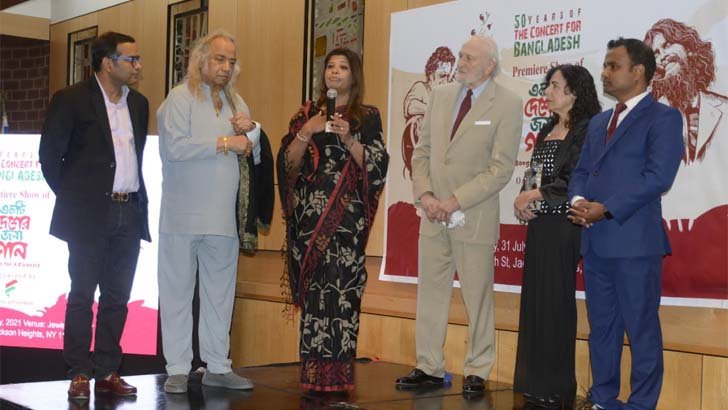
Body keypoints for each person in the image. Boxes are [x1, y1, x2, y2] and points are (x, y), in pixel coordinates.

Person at [395, 35, 522, 396]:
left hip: (473, 216)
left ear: (490, 66)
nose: (461, 63)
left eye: (469, 58)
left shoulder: (508, 103)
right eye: (461, 56)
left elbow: (500, 169)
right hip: (432, 215)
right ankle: (429, 366)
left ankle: (477, 368)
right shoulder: (440, 95)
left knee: (477, 298)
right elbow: (422, 153)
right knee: (430, 294)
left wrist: (454, 201)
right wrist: (426, 195)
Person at [568, 38, 683, 410]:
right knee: (601, 328)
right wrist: (578, 201)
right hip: (595, 242)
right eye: (604, 65)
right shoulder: (599, 121)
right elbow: (582, 172)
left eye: (613, 65)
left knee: (641, 329)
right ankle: (603, 399)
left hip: (635, 244)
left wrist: (607, 209)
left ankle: (641, 404)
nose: (604, 72)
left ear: (638, 72)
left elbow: (658, 177)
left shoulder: (664, 118)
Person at [39, 31, 149, 400]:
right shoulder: (72, 99)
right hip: (87, 214)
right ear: (107, 63)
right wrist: (77, 199)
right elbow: (50, 158)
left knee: (118, 297)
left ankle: (107, 371)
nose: (138, 66)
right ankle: (78, 372)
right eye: (131, 59)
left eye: (138, 59)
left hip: (128, 211)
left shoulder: (139, 104)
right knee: (82, 295)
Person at [156, 29, 265, 394]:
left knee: (220, 295)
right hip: (181, 216)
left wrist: (252, 135)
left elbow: (252, 154)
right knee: (177, 293)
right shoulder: (179, 98)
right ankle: (177, 368)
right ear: (200, 59)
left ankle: (218, 366)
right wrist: (225, 142)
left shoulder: (238, 103)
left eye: (231, 61)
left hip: (223, 218)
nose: (226, 67)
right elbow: (174, 149)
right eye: (219, 59)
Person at [277, 47, 389, 392]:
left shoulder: (366, 117)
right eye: (330, 66)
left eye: (343, 67)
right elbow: (288, 166)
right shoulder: (306, 114)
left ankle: (339, 378)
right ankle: (313, 377)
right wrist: (307, 131)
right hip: (311, 225)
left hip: (347, 224)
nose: (335, 72)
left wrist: (349, 139)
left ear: (354, 76)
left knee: (342, 295)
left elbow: (377, 166)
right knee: (315, 299)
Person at [512, 64, 601, 408]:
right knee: (536, 301)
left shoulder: (586, 128)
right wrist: (524, 201)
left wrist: (533, 195)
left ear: (573, 92)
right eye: (547, 85)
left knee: (555, 302)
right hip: (540, 225)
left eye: (553, 85)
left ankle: (557, 385)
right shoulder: (547, 128)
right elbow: (534, 175)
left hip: (565, 225)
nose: (547, 92)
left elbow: (576, 178)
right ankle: (535, 382)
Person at [402, 46, 456, 178]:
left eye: (448, 76)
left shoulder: (447, 95)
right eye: (442, 76)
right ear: (431, 74)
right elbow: (410, 106)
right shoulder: (421, 87)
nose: (445, 81)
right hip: (421, 156)